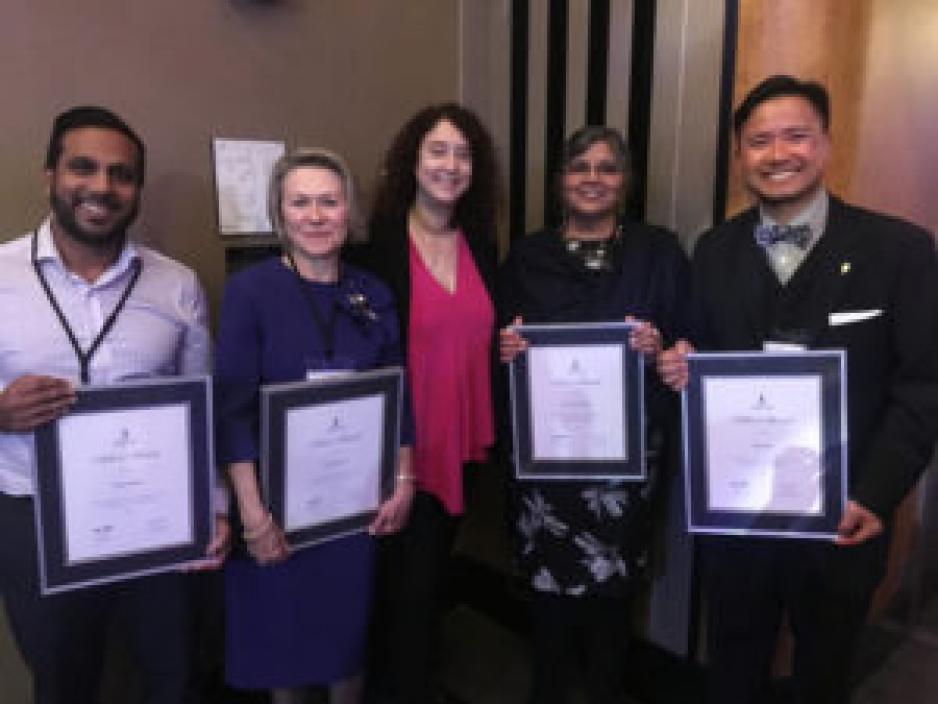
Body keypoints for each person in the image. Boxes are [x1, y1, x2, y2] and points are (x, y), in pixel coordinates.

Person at [658, 75, 938, 704]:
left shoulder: (900, 251)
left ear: (826, 145)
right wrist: (683, 363)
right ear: (740, 157)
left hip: (842, 519)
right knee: (732, 662)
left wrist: (876, 491)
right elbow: (700, 353)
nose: (778, 153)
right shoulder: (713, 250)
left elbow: (924, 385)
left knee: (824, 673)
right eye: (759, 141)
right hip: (738, 519)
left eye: (795, 136)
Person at [0, 105, 228, 704]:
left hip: (158, 515)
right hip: (34, 515)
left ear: (137, 190)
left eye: (121, 174)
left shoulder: (176, 284)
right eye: (83, 167)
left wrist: (216, 510)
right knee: (62, 676)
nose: (102, 186)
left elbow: (200, 411)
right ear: (50, 174)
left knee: (172, 673)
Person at [214, 148, 415, 704]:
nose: (316, 215)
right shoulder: (250, 292)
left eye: (329, 201)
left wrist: (403, 479)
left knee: (346, 647)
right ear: (280, 215)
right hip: (277, 510)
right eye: (300, 202)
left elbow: (398, 392)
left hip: (353, 507)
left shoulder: (373, 293)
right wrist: (253, 518)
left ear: (348, 212)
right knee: (286, 653)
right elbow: (232, 410)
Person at [498, 126, 689, 704]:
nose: (593, 179)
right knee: (549, 595)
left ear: (625, 181)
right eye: (579, 167)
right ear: (560, 182)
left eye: (607, 168)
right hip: (547, 461)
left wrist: (665, 348)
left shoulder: (659, 253)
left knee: (614, 594)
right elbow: (499, 343)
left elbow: (688, 345)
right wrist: (505, 349)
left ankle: (606, 690)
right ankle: (549, 689)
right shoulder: (528, 256)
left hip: (625, 463)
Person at [352, 103, 499, 704]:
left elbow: (488, 337)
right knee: (401, 592)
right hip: (399, 452)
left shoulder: (483, 245)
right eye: (438, 150)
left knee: (429, 582)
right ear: (411, 162)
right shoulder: (376, 249)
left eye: (463, 154)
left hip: (462, 445)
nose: (451, 164)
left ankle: (411, 677)